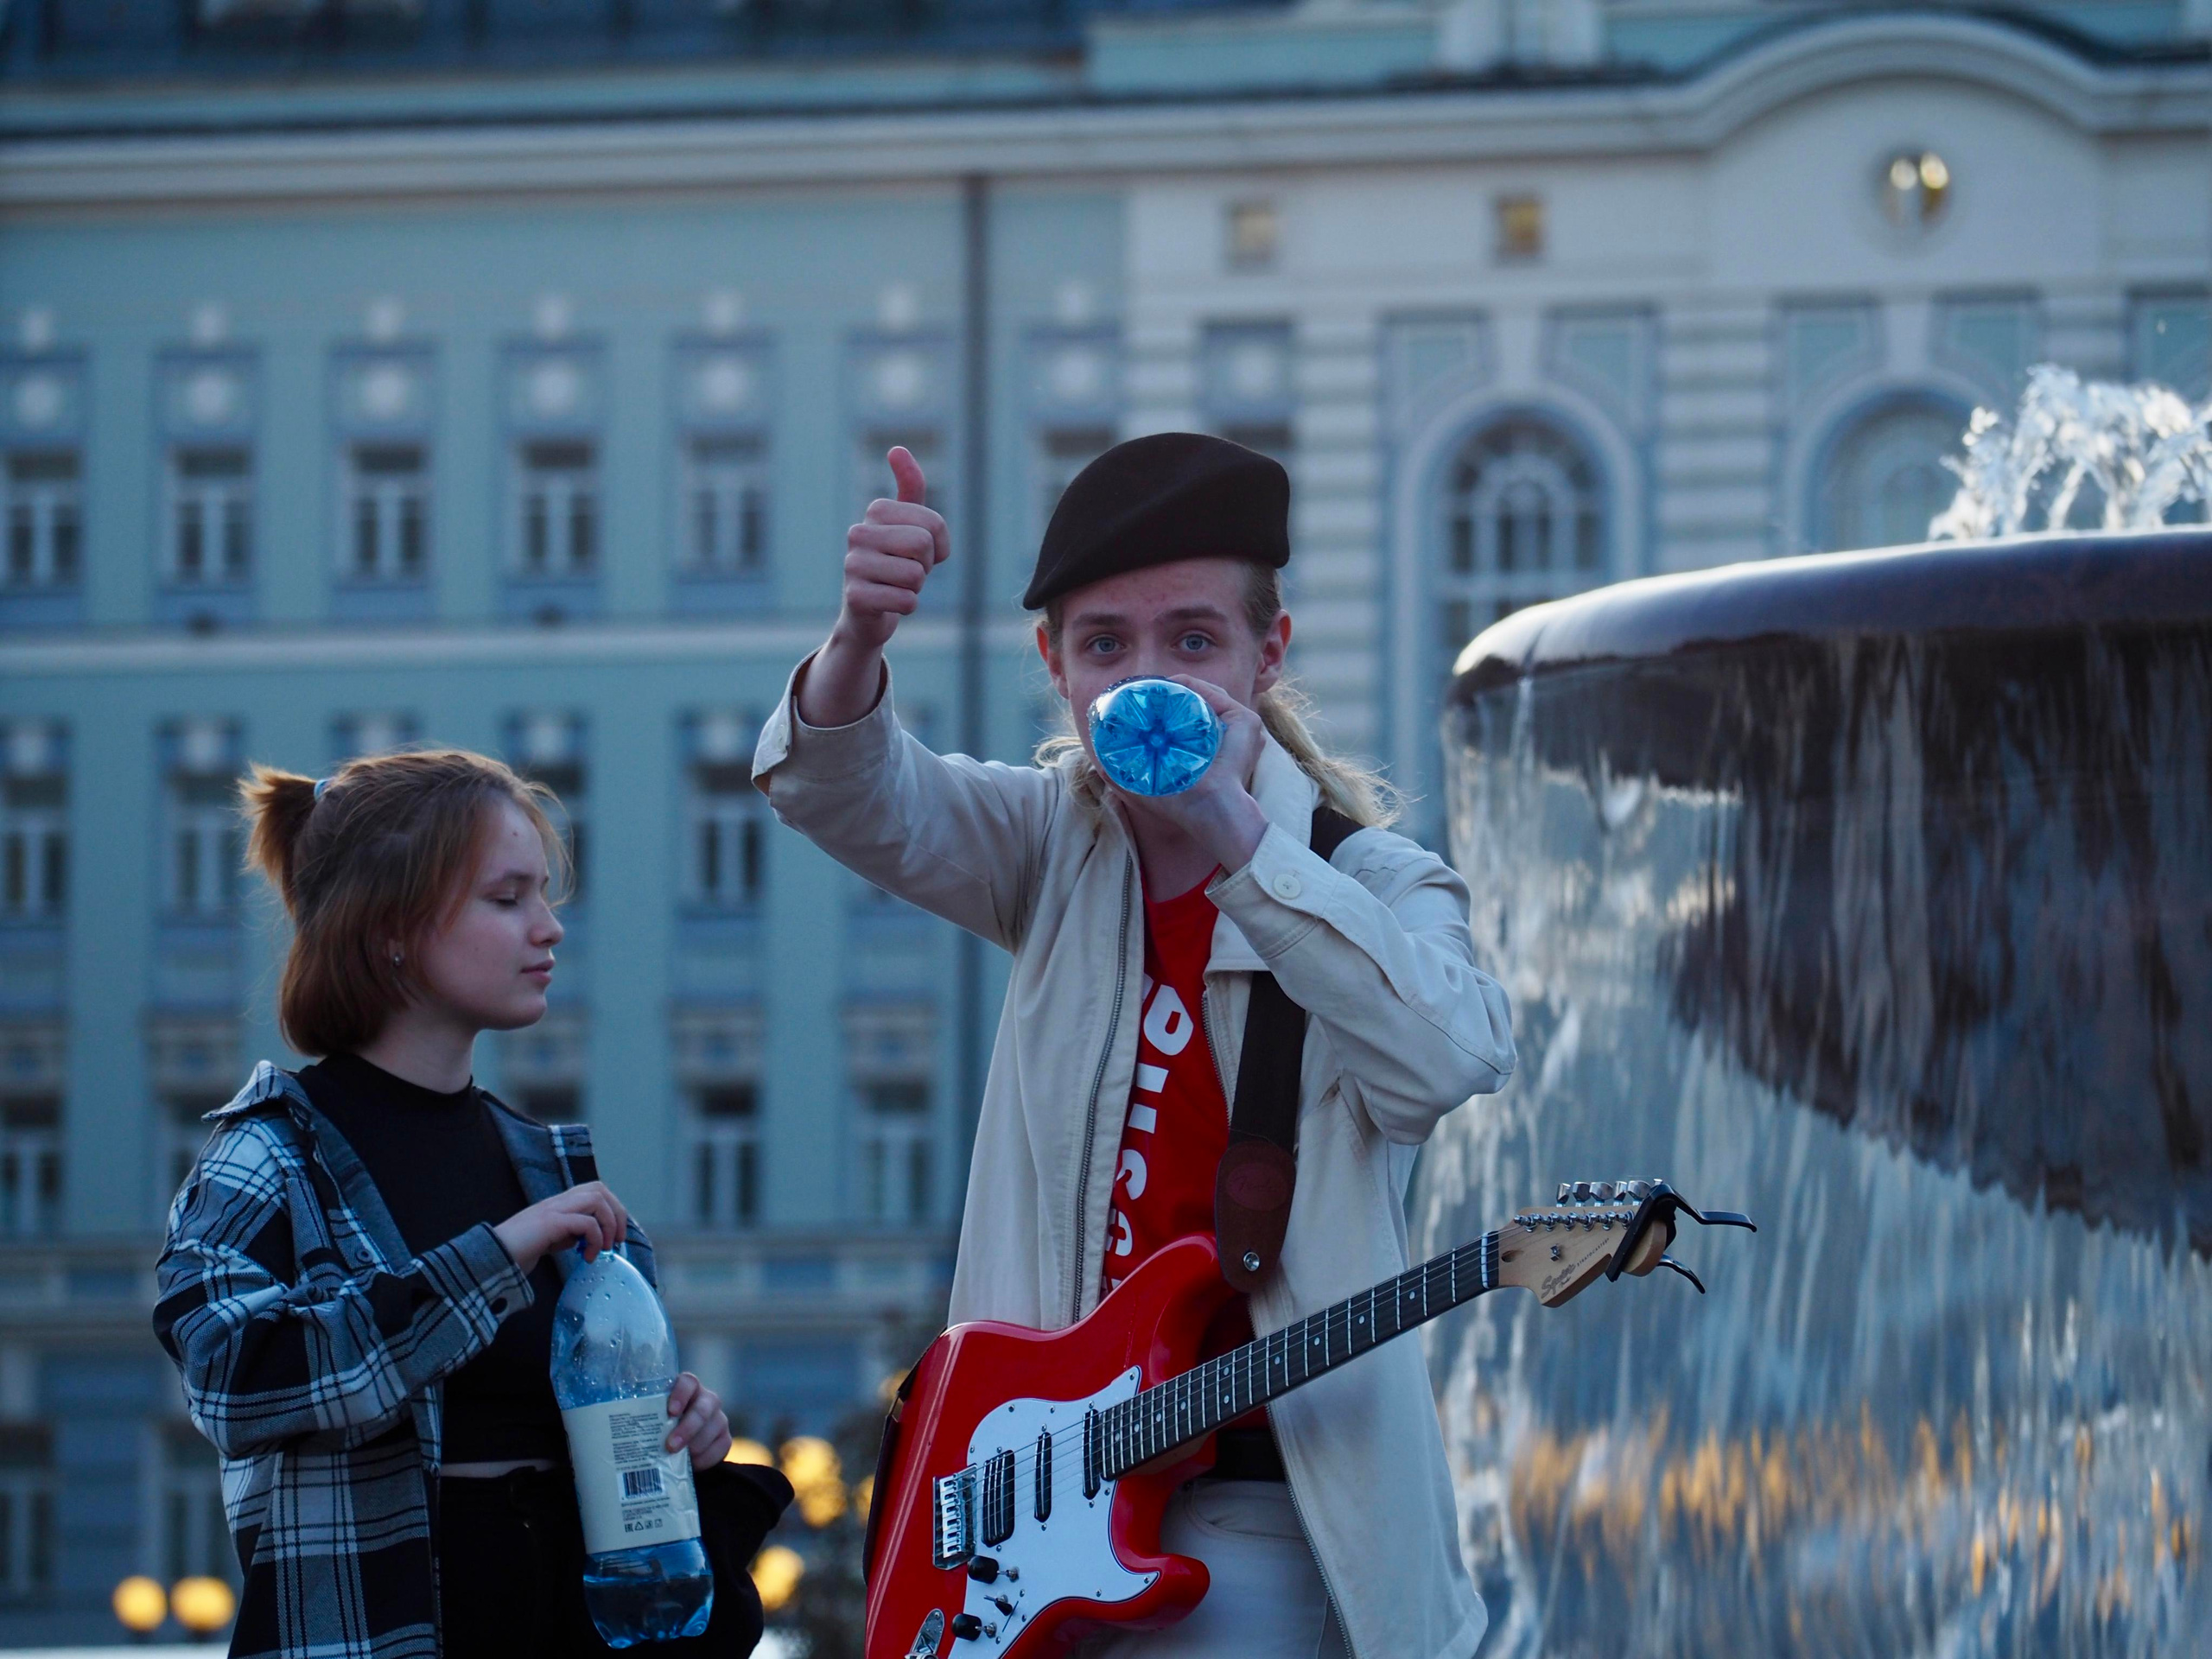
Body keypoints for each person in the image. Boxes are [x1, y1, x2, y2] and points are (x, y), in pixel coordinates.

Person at [752, 434, 1516, 1659]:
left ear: (1270, 653)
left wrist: (1236, 837)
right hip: (1027, 1497)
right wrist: (858, 639)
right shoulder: (1051, 846)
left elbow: (1452, 1060)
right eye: (1105, 644)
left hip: (1263, 1510)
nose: (1149, 677)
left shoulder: (1372, 879)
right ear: (1056, 665)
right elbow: (841, 792)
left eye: (1195, 641)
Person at [154, 748, 791, 1659]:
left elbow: (613, 1450)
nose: (550, 929)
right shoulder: (268, 1153)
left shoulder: (550, 1170)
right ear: (392, 929)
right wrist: (493, 1260)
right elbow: (230, 1381)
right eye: (508, 899)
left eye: (544, 894)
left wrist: (686, 1434)